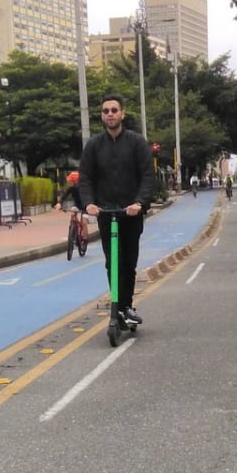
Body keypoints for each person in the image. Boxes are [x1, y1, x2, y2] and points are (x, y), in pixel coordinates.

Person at [76, 94, 159, 328]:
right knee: (112, 262)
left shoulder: (137, 143)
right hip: (106, 214)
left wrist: (139, 203)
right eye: (106, 111)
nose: (110, 114)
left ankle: (126, 306)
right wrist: (89, 204)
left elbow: (147, 176)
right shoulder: (94, 146)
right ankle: (117, 306)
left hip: (130, 213)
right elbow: (85, 178)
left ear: (122, 113)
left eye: (114, 110)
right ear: (101, 116)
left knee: (129, 262)